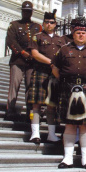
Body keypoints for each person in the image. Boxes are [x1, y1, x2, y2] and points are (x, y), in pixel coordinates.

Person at [52, 18, 86, 170]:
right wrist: (67, 81)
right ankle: (67, 158)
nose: (81, 35)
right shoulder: (64, 49)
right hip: (69, 88)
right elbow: (55, 68)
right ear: (73, 33)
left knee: (85, 126)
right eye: (78, 32)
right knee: (69, 124)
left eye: (83, 32)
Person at [27, 9, 65, 144]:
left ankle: (51, 134)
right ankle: (35, 133)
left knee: (51, 106)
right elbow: (35, 54)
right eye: (47, 22)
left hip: (54, 75)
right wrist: (51, 62)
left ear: (55, 24)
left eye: (52, 22)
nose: (49, 24)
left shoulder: (61, 40)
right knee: (37, 104)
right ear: (43, 23)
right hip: (40, 72)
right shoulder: (37, 36)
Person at [5, 1, 42, 120]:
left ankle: (29, 112)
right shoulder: (14, 25)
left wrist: (33, 54)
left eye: (28, 11)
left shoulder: (37, 27)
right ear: (22, 11)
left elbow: (39, 43)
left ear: (31, 12)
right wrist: (22, 52)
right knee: (14, 86)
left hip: (32, 62)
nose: (26, 13)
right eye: (24, 11)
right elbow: (11, 41)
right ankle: (10, 109)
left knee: (30, 87)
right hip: (18, 60)